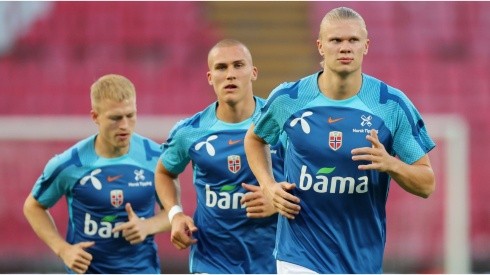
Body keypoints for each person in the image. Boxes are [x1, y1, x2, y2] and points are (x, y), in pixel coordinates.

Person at [244, 7, 436, 274]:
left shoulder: (391, 106)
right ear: (320, 46)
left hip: (361, 260)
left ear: (366, 46)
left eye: (353, 40)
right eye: (336, 40)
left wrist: (391, 164)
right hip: (299, 256)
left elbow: (427, 183)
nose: (345, 47)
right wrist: (268, 186)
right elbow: (255, 139)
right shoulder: (289, 98)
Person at [155, 39, 285, 274]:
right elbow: (164, 172)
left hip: (274, 261)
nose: (230, 75)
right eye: (221, 67)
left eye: (238, 65)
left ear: (253, 72)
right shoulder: (190, 132)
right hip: (212, 261)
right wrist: (175, 215)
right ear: (209, 77)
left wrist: (279, 201)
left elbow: (314, 183)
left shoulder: (281, 125)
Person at [23, 74, 170, 274]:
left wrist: (148, 226)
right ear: (95, 117)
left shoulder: (156, 158)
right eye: (115, 118)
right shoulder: (69, 164)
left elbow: (173, 213)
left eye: (130, 115)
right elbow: (33, 206)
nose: (125, 126)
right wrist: (63, 249)